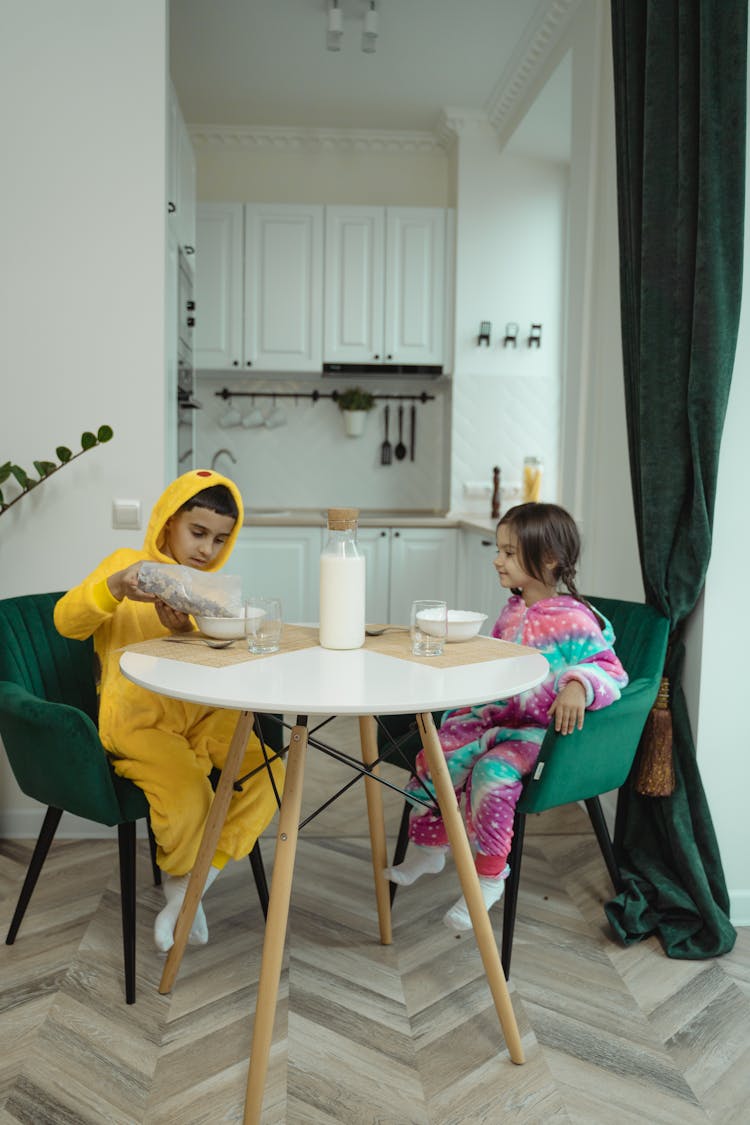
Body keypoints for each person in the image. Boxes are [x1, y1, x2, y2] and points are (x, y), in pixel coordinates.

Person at [54, 469, 284, 953]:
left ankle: (191, 886)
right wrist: (115, 587)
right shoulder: (126, 566)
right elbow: (67, 622)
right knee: (187, 794)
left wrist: (191, 631)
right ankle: (182, 883)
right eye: (197, 533)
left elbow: (214, 659)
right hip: (139, 724)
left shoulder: (209, 588)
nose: (207, 549)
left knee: (275, 773)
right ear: (168, 524)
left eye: (221, 539)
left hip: (204, 717)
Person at [383, 502, 628, 932]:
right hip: (494, 718)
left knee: (492, 775)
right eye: (499, 550)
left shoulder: (572, 618)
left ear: (549, 559)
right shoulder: (512, 609)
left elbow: (610, 670)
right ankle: (430, 848)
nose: (498, 560)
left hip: (535, 734)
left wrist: (578, 685)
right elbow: (499, 659)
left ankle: (490, 876)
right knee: (437, 755)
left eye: (510, 553)